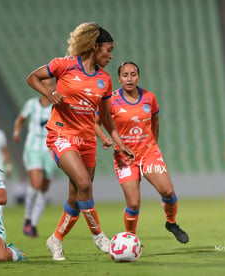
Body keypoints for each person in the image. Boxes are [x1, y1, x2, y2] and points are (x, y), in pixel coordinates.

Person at [27, 22, 135, 261]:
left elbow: (106, 118)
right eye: (108, 49)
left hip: (87, 141)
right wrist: (49, 93)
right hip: (62, 135)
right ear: (94, 46)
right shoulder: (64, 65)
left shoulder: (105, 80)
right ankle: (98, 236)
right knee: (85, 183)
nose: (110, 55)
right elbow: (33, 77)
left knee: (77, 196)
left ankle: (55, 239)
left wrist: (120, 143)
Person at [95, 61, 189, 243]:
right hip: (124, 157)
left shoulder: (149, 98)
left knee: (168, 192)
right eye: (125, 75)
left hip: (148, 153)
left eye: (133, 74)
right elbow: (95, 122)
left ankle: (171, 223)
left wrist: (153, 144)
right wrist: (104, 138)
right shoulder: (111, 100)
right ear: (119, 78)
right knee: (133, 203)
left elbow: (155, 121)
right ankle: (131, 239)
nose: (129, 78)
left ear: (138, 77)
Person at [13, 78, 58, 238]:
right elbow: (20, 119)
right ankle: (27, 219)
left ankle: (33, 224)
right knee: (36, 183)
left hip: (51, 151)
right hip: (33, 149)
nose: (47, 87)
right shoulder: (31, 104)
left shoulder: (56, 105)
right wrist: (17, 131)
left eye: (50, 84)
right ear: (39, 87)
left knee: (44, 189)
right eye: (44, 84)